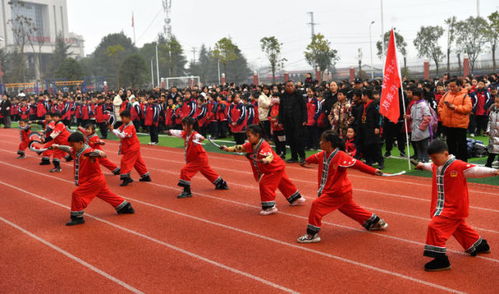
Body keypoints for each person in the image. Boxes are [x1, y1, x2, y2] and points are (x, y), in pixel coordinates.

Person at [415, 140, 498, 271]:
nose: (433, 161)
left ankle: (441, 260)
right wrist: (421, 165)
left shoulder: (458, 166)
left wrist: (494, 171)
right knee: (459, 227)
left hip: (454, 208)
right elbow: (430, 166)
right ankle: (480, 245)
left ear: (446, 154)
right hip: (444, 207)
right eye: (432, 158)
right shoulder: (437, 165)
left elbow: (476, 170)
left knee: (435, 227)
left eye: (435, 157)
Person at [297, 130, 388, 243]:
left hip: (337, 192)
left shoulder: (340, 156)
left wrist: (374, 170)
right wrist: (305, 161)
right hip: (342, 192)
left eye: (322, 141)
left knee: (317, 205)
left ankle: (312, 234)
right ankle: (375, 222)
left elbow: (358, 164)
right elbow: (313, 158)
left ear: (329, 143)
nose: (320, 143)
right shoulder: (323, 155)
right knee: (350, 209)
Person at [51, 132, 135, 226]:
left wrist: (100, 153)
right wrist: (58, 146)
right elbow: (68, 149)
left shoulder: (88, 152)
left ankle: (77, 217)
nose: (72, 147)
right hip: (96, 180)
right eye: (71, 144)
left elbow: (98, 153)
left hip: (94, 180)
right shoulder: (76, 150)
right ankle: (125, 207)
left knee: (77, 194)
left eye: (73, 144)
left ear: (81, 143)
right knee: (106, 195)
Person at [221, 124, 305, 215]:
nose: (247, 138)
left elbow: (269, 156)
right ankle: (296, 198)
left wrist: (266, 160)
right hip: (277, 167)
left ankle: (269, 207)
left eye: (249, 136)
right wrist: (227, 149)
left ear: (257, 135)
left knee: (265, 184)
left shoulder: (264, 145)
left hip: (273, 169)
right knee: (284, 183)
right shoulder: (252, 144)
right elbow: (241, 147)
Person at [167, 117, 229, 198]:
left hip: (199, 158)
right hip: (198, 158)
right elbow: (176, 132)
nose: (183, 127)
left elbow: (200, 137)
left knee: (185, 171)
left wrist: (201, 138)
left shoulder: (195, 135)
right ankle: (221, 184)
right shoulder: (185, 133)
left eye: (185, 125)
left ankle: (187, 191)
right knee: (207, 171)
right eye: (183, 125)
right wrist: (169, 132)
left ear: (191, 126)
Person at [110, 110, 151, 186]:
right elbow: (118, 131)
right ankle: (145, 175)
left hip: (132, 147)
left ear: (128, 117)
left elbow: (122, 135)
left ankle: (126, 178)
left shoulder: (130, 126)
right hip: (132, 146)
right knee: (137, 162)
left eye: (123, 118)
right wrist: (112, 129)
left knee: (125, 161)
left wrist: (112, 130)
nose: (122, 119)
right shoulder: (125, 124)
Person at [438, 79, 472, 161]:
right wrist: (442, 114)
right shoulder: (446, 95)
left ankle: (463, 163)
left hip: (460, 125)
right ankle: (451, 163)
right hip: (448, 125)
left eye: (453, 86)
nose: (451, 88)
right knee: (450, 145)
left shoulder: (465, 96)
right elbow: (440, 105)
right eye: (450, 86)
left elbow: (468, 108)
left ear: (459, 86)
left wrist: (455, 107)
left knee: (461, 146)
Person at [279, 81, 307, 163]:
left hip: (298, 121)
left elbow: (304, 108)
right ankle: (294, 157)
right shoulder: (283, 96)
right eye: (288, 86)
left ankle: (302, 157)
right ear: (285, 87)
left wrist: (304, 119)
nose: (290, 87)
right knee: (290, 140)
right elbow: (281, 109)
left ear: (294, 86)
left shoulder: (299, 95)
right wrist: (280, 121)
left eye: (291, 86)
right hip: (287, 122)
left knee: (298, 140)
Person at [409, 88, 432, 163]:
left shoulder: (423, 105)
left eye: (414, 95)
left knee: (424, 146)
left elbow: (427, 117)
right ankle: (420, 160)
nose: (412, 96)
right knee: (417, 146)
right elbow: (413, 116)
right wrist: (408, 117)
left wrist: (421, 127)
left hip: (422, 129)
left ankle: (425, 160)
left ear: (419, 96)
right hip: (415, 128)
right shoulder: (414, 105)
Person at [485, 95, 499, 167]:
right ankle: (488, 164)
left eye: (498, 102)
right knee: (492, 150)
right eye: (496, 102)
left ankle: (489, 163)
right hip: (493, 134)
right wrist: (488, 130)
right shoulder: (493, 110)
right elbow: (489, 121)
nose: (497, 104)